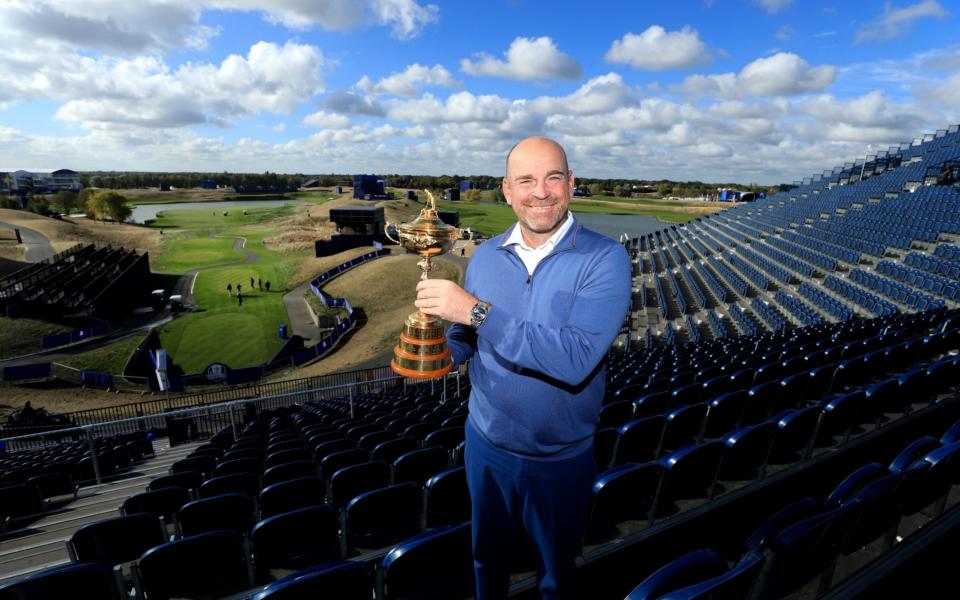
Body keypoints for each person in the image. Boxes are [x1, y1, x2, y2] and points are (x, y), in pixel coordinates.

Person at [415, 136, 631, 599]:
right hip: (485, 443)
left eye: (553, 177)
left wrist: (474, 311)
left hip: (560, 457)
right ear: (507, 190)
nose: (541, 192)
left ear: (571, 184)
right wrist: (441, 353)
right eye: (526, 180)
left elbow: (574, 360)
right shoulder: (488, 255)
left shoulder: (605, 258)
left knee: (556, 576)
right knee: (486, 560)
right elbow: (466, 335)